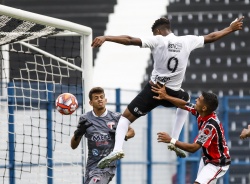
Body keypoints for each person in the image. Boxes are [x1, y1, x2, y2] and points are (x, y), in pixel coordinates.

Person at [91, 16, 244, 168]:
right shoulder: (187, 41)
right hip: (173, 94)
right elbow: (211, 37)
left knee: (125, 119)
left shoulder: (158, 40)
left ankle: (117, 150)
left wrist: (106, 37)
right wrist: (230, 28)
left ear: (157, 31)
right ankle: (175, 140)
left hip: (154, 90)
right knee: (186, 101)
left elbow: (130, 39)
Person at [152, 84, 231, 184]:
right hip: (207, 159)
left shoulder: (210, 127)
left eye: (199, 99)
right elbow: (183, 104)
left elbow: (193, 148)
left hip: (218, 163)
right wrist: (165, 96)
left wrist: (171, 140)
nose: (196, 100)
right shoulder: (201, 112)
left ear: (204, 107)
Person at [71, 87, 135, 184]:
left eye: (101, 97)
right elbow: (73, 145)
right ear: (91, 103)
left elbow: (132, 132)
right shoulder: (85, 119)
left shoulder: (116, 117)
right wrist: (78, 134)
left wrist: (123, 136)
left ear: (105, 100)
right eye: (96, 98)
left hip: (107, 165)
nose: (100, 99)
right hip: (92, 166)